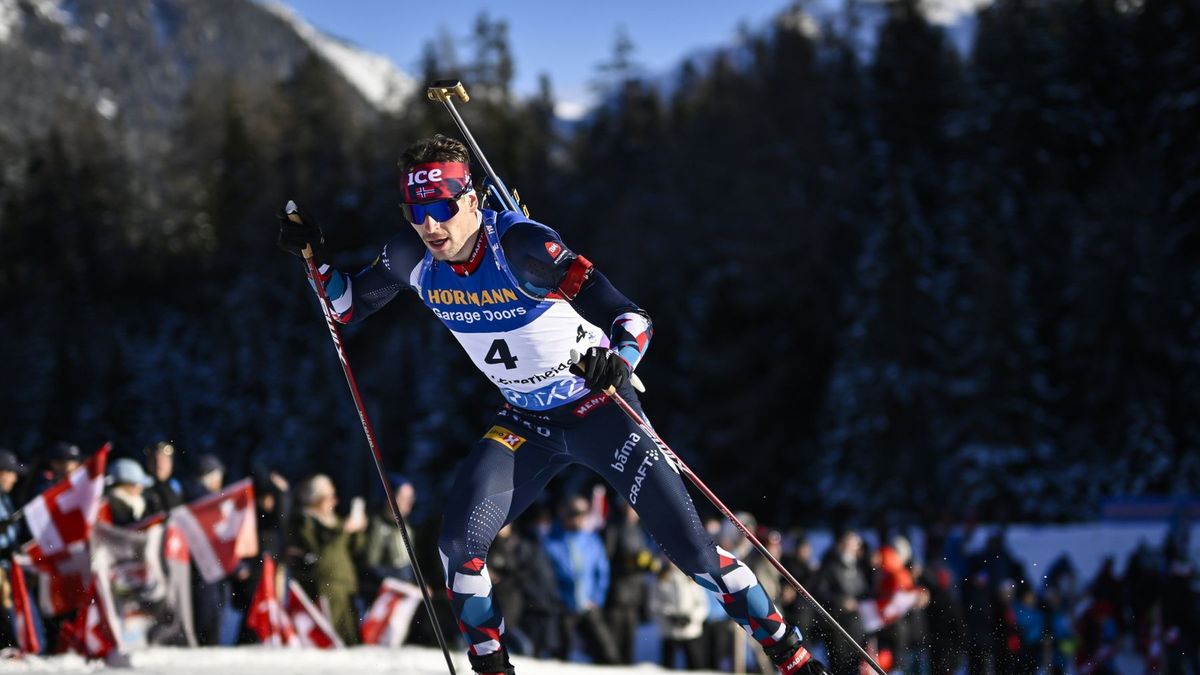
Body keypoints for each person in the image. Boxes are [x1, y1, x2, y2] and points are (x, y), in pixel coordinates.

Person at [276, 133, 829, 675]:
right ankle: (493, 668)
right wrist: (315, 256)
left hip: (600, 411)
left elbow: (631, 317)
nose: (429, 225)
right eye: (415, 210)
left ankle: (790, 653)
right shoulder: (409, 257)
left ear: (470, 198)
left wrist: (619, 359)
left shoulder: (523, 246)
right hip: (525, 422)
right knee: (456, 548)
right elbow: (345, 309)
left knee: (695, 557)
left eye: (442, 207)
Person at [287, 474, 367, 646]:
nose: (334, 501)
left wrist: (357, 530)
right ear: (316, 498)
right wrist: (344, 531)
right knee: (332, 635)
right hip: (325, 584)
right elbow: (316, 550)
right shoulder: (304, 520)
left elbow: (356, 549)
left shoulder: (335, 520)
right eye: (329, 497)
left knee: (351, 635)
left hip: (346, 583)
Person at [541, 495, 619, 664]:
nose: (578, 518)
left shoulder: (592, 540)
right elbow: (546, 576)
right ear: (564, 515)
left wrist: (596, 599)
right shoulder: (551, 542)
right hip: (563, 608)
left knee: (608, 653)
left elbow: (602, 572)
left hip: (588, 606)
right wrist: (557, 598)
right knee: (560, 656)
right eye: (573, 513)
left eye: (583, 513)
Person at [105, 458, 155, 526]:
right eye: (135, 484)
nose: (141, 488)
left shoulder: (139, 504)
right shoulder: (115, 507)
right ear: (122, 485)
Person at [143, 441, 184, 515]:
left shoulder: (182, 486)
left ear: (171, 463)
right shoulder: (142, 490)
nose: (159, 465)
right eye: (154, 460)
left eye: (163, 460)